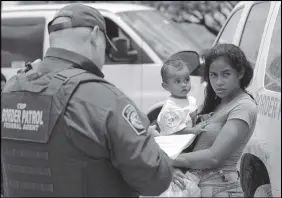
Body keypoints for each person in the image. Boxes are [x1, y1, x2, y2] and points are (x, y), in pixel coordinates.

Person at [1, 4, 173, 197]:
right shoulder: (103, 98)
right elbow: (155, 179)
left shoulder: (10, 89)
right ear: (95, 36)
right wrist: (150, 143)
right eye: (105, 45)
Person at [171, 43, 258, 197]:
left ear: (240, 73)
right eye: (213, 75)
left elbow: (214, 157)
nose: (219, 82)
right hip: (195, 186)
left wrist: (168, 159)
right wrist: (174, 168)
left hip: (221, 189)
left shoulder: (244, 106)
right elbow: (191, 145)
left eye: (226, 74)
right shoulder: (215, 102)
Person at [156, 59, 207, 136]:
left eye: (186, 79)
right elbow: (175, 130)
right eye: (178, 81)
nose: (184, 84)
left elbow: (189, 119)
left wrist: (200, 118)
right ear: (166, 86)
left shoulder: (190, 100)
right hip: (173, 145)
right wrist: (194, 130)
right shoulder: (170, 108)